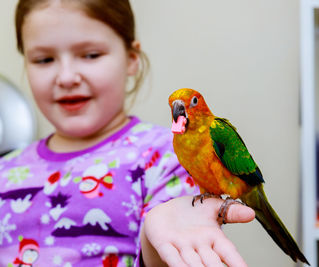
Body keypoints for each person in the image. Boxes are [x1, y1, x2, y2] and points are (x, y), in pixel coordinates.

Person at [0, 0, 255, 266]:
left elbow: (171, 244)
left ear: (131, 60)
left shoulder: (169, 157)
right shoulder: (4, 171)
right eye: (44, 59)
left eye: (90, 55)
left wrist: (152, 244)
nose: (66, 77)